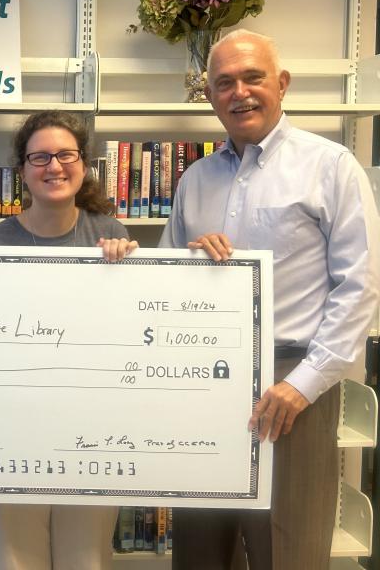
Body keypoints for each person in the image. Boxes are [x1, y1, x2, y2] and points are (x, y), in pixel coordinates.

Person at [160, 29, 380, 570]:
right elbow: (164, 282)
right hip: (204, 378)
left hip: (293, 383)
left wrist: (303, 384)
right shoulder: (195, 179)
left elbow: (361, 286)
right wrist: (191, 261)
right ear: (209, 95)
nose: (239, 93)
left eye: (253, 77)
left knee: (288, 550)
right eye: (224, 83)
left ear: (281, 84)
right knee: (201, 549)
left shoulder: (330, 166)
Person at [0, 110, 138, 570]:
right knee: (15, 561)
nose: (54, 166)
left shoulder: (111, 236)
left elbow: (131, 336)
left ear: (83, 164)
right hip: (11, 433)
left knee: (87, 560)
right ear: (22, 170)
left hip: (92, 434)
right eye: (39, 157)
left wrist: (132, 275)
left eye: (65, 155)